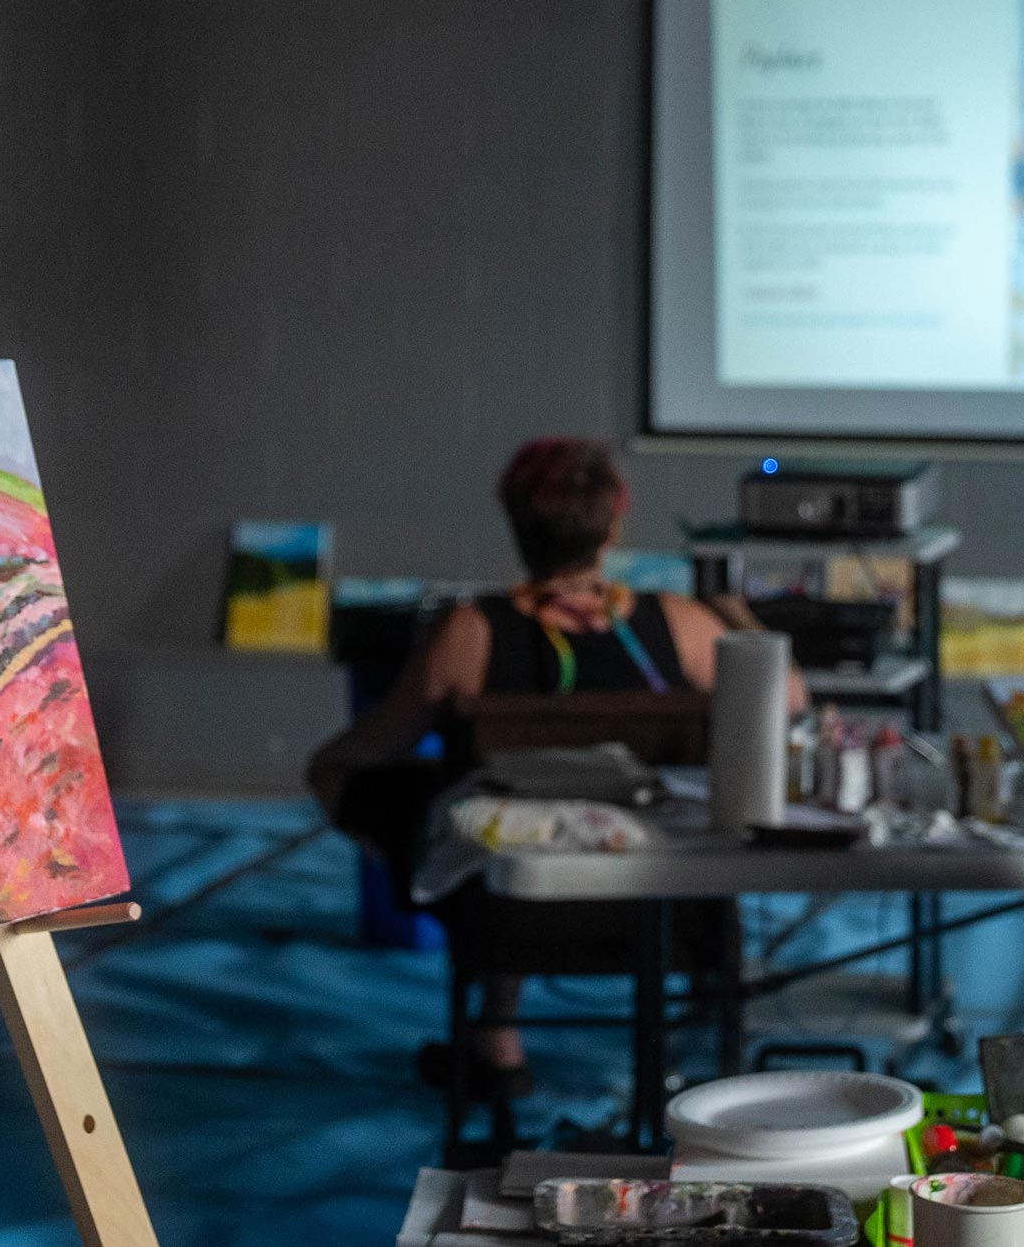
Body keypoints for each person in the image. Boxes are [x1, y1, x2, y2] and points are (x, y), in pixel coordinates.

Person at [307, 437, 802, 1098]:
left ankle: (496, 1037)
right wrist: (738, 618)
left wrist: (331, 769)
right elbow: (790, 700)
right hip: (667, 901)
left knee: (442, 802)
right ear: (615, 521)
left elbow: (376, 746)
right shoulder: (681, 623)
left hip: (516, 909)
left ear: (514, 521)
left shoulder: (472, 630)